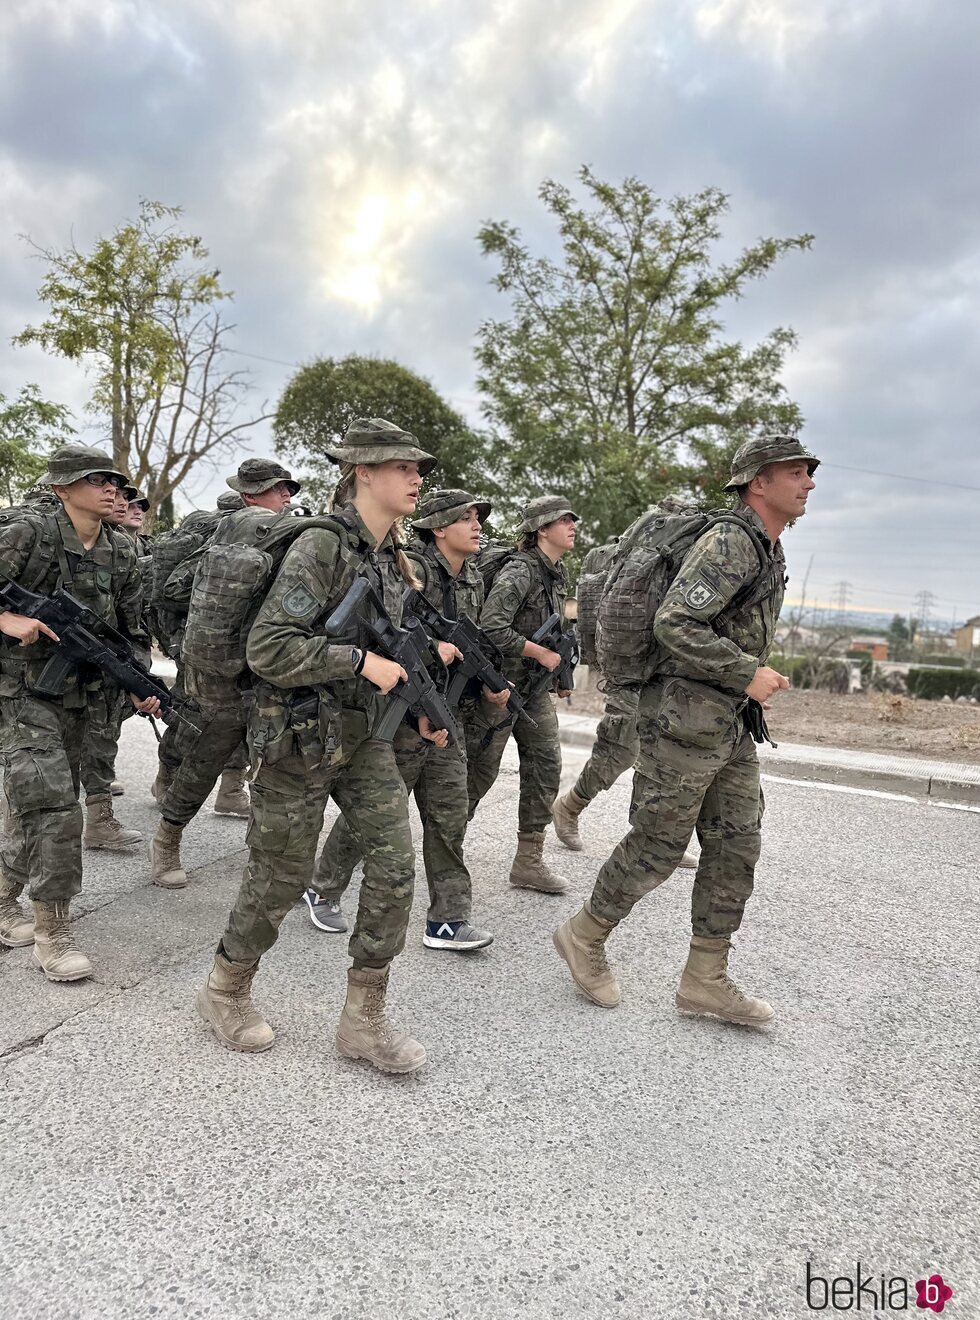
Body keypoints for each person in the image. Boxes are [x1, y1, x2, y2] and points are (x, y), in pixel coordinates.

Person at [196, 418, 445, 1074]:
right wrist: (358, 663)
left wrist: (414, 705)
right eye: (403, 467)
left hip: (364, 737)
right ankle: (226, 991)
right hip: (298, 736)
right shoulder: (322, 547)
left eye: (419, 468)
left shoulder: (394, 556)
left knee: (394, 866)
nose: (417, 478)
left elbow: (389, 647)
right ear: (363, 472)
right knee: (280, 875)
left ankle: (364, 1021)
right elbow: (269, 646)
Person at [553, 434, 819, 1024]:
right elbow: (676, 622)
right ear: (759, 482)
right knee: (657, 844)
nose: (809, 483)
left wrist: (741, 683)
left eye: (809, 472)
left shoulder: (767, 549)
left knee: (737, 843)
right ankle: (585, 935)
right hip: (681, 720)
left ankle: (705, 979)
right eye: (797, 472)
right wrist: (745, 671)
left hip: (726, 725)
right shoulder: (730, 542)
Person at [308, 488, 505, 951]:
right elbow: (381, 637)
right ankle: (323, 885)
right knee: (379, 811)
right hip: (397, 712)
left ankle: (447, 920)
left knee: (450, 813)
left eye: (479, 518)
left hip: (443, 712)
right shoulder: (406, 566)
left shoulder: (472, 579)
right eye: (467, 518)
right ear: (439, 527)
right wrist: (422, 688)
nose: (478, 526)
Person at [0, 444, 160, 976]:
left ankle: (3, 901)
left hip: (82, 699)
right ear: (61, 488)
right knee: (53, 808)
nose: (112, 489)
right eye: (96, 480)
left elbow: (131, 630)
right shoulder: (29, 533)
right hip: (22, 694)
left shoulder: (122, 551)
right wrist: (5, 619)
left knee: (34, 804)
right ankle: (54, 930)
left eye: (115, 480)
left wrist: (138, 681)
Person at [150, 460, 299, 888]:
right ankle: (167, 838)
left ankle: (269, 855)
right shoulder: (226, 533)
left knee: (277, 760)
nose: (285, 496)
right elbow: (174, 589)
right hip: (223, 672)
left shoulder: (296, 536)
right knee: (204, 759)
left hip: (271, 668)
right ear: (251, 496)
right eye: (277, 490)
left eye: (288, 489)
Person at [466, 495, 578, 895]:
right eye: (563, 520)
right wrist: (538, 652)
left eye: (572, 520)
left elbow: (556, 630)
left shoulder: (556, 573)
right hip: (500, 687)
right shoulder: (520, 571)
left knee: (547, 765)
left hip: (534, 690)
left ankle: (528, 861)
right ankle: (441, 847)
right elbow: (491, 626)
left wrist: (560, 671)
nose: (572, 526)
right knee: (478, 774)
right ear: (541, 530)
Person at [152, 491, 247, 809]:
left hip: (242, 645)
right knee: (190, 714)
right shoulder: (212, 538)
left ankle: (232, 789)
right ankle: (167, 774)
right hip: (198, 642)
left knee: (245, 715)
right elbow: (173, 592)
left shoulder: (266, 536)